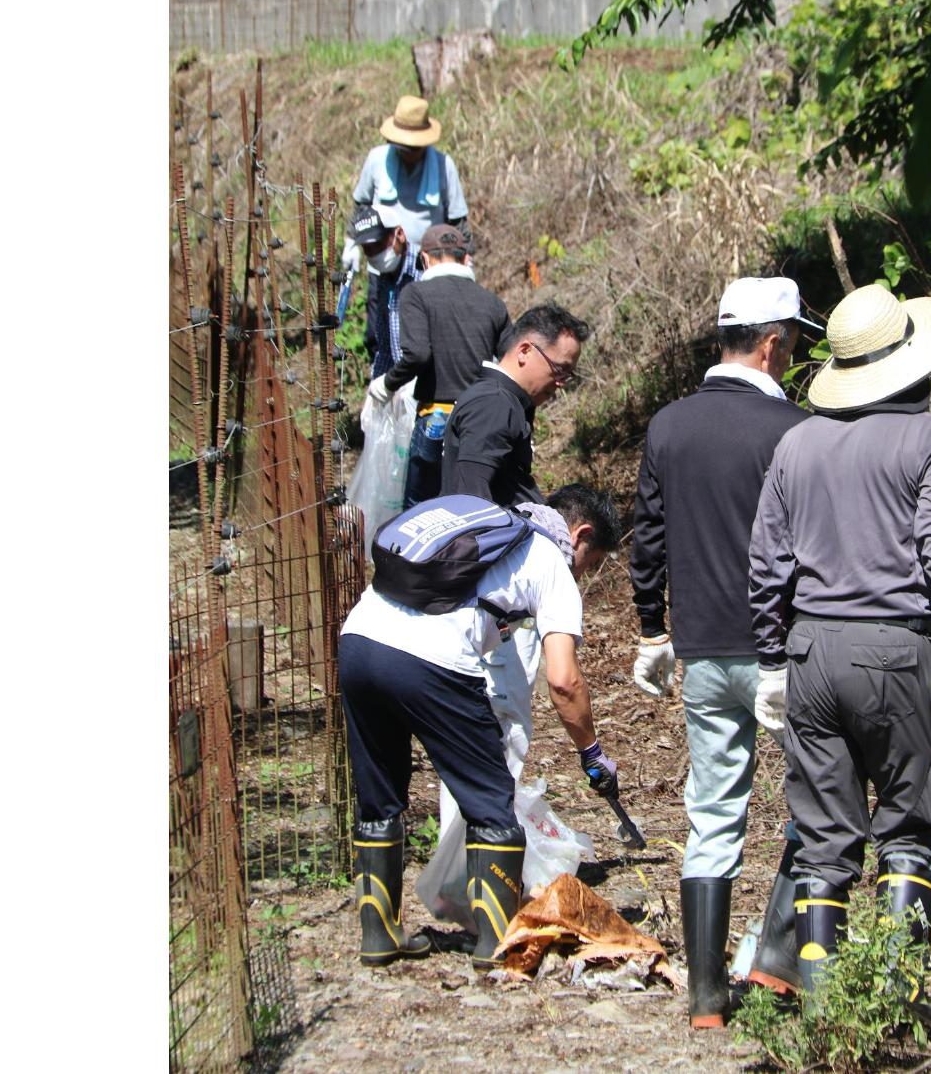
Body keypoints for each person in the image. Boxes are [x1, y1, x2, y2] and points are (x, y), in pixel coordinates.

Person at [748, 283, 931, 1023]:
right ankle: (894, 996)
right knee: (907, 824)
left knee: (823, 836)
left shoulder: (796, 441)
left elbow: (767, 564)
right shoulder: (928, 438)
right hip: (897, 649)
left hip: (811, 651)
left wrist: (772, 659)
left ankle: (827, 1006)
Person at [628, 277, 816, 1029]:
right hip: (785, 653)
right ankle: (776, 956)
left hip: (701, 650)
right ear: (772, 345)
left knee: (711, 812)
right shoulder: (793, 430)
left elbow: (648, 537)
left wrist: (651, 629)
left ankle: (707, 998)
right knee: (822, 802)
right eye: (794, 343)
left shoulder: (668, 426)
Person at [338, 483, 625, 969]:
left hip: (359, 642)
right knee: (492, 800)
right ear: (580, 535)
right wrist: (591, 752)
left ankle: (379, 934)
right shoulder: (549, 560)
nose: (584, 576)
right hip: (432, 661)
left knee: (380, 793)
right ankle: (495, 943)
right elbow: (563, 681)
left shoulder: (486, 522)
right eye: (591, 564)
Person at [369, 224, 513, 509]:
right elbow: (511, 363)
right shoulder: (492, 302)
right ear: (464, 257)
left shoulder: (417, 295)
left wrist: (385, 384)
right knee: (474, 507)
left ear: (424, 258)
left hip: (437, 418)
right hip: (482, 421)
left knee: (421, 510)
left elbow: (417, 355)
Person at [351, 95, 470, 378]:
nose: (406, 153)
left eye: (412, 148)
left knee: (428, 335)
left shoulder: (443, 166)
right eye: (400, 147)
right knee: (380, 333)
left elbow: (458, 222)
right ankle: (384, 386)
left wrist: (465, 264)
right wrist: (352, 242)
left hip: (429, 267)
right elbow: (361, 205)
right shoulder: (377, 160)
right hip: (385, 264)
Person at [441, 304, 589, 508]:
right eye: (559, 369)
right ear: (525, 351)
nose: (561, 382)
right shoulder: (494, 403)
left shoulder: (506, 400)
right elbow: (471, 501)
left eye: (568, 375)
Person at [345, 203, 421, 379]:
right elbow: (385, 349)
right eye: (367, 249)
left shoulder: (423, 270)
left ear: (399, 235)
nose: (373, 254)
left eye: (378, 245)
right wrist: (376, 389)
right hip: (402, 384)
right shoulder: (384, 280)